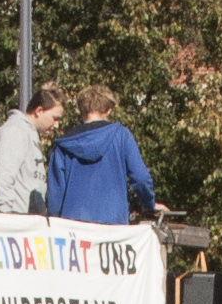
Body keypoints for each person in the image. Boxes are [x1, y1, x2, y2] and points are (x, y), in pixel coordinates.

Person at [42, 85, 155, 224]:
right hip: (113, 227)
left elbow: (55, 197)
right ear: (108, 110)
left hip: (73, 229)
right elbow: (141, 177)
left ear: (81, 110)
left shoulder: (64, 144)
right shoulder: (121, 136)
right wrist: (149, 204)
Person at [0, 83, 62, 215]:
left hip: (26, 220)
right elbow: (4, 175)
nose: (56, 125)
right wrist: (6, 214)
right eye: (55, 118)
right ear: (39, 111)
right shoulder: (15, 130)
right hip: (14, 220)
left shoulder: (28, 133)